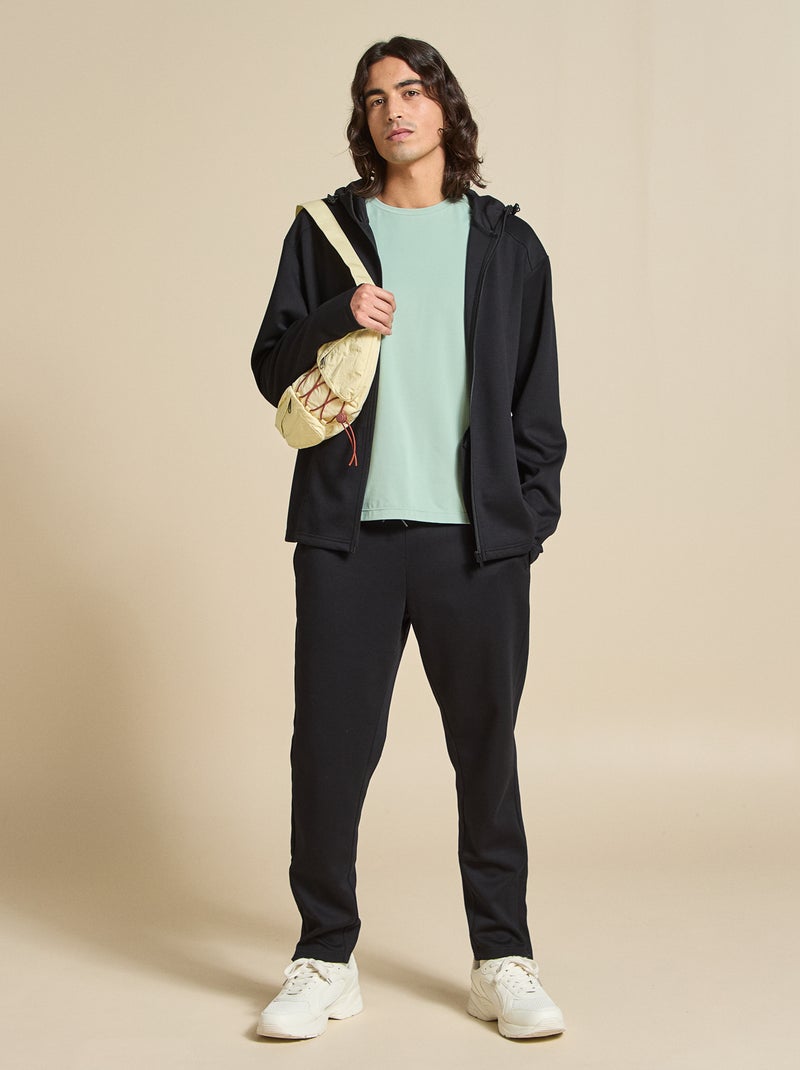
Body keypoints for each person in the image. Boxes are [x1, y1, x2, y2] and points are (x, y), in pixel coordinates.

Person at [250, 35, 567, 1041]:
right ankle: (323, 956)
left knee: (485, 752)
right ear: (364, 119)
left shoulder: (509, 245)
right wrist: (335, 313)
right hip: (348, 538)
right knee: (327, 752)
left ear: (444, 108)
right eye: (376, 96)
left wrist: (525, 520)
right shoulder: (325, 232)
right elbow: (270, 364)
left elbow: (537, 403)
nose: (395, 108)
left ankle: (501, 957)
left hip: (474, 545)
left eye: (413, 90)